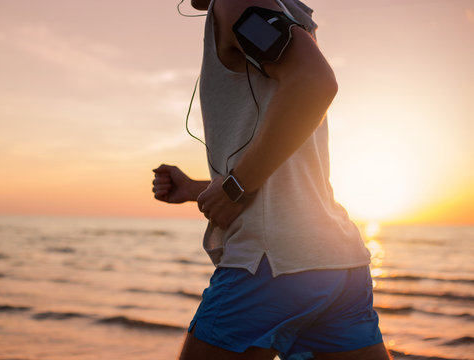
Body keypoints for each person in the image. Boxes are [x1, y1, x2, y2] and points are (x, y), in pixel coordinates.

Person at [152, 0, 391, 359]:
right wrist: (197, 189)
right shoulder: (288, 14)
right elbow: (284, 180)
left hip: (272, 266)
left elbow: (315, 82)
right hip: (335, 262)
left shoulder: (236, 3)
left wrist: (234, 187)